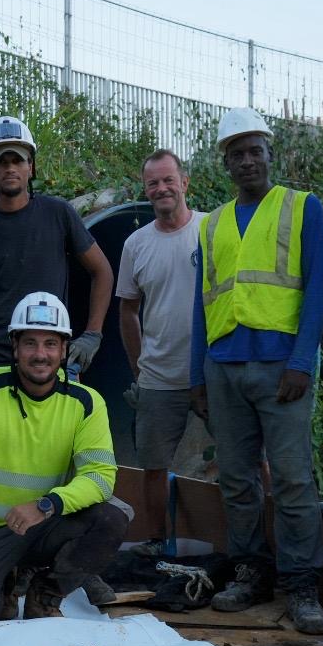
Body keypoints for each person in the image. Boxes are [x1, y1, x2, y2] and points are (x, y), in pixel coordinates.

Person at [190, 108, 323, 635]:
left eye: (256, 150)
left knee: (293, 479)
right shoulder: (212, 225)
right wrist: (197, 377)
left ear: (271, 155)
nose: (247, 160)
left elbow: (320, 287)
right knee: (236, 479)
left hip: (281, 371)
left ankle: (302, 585)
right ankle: (251, 573)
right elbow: (200, 305)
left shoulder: (302, 209)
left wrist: (301, 361)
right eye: (237, 153)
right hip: (224, 367)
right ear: (224, 162)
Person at [0, 292, 126, 622]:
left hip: (44, 524)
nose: (41, 354)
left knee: (112, 518)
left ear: (64, 349)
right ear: (15, 346)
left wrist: (47, 505)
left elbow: (100, 478)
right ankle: (8, 581)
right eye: (30, 343)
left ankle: (45, 594)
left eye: (51, 344)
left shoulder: (86, 402)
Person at [0, 116, 116, 387]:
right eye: (1, 162)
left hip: (48, 359)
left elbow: (102, 271)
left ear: (31, 166)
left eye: (18, 160)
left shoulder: (58, 214)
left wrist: (92, 335)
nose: (10, 168)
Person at [117, 149, 204, 557]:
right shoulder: (136, 244)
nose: (162, 188)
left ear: (185, 183)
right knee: (153, 464)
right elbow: (127, 310)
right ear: (145, 189)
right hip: (158, 378)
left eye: (169, 180)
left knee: (246, 460)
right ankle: (156, 542)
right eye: (153, 182)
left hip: (212, 374)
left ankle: (258, 546)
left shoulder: (211, 230)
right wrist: (139, 367)